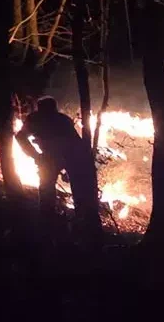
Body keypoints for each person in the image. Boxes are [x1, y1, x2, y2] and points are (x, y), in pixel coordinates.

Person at [15, 97, 101, 236]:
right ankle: (50, 218)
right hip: (52, 157)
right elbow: (20, 136)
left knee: (60, 188)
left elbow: (73, 142)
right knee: (47, 188)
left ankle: (77, 219)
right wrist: (36, 155)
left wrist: (72, 163)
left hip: (68, 156)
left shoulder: (58, 120)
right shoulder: (42, 119)